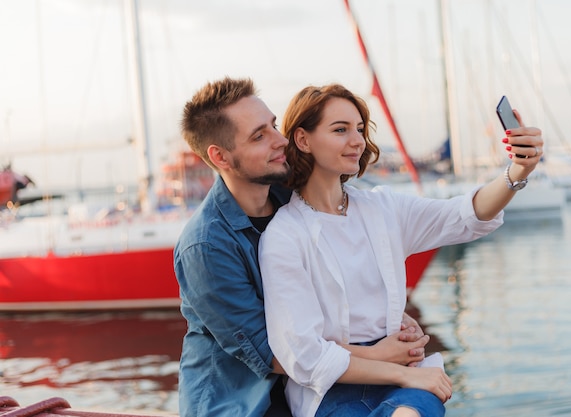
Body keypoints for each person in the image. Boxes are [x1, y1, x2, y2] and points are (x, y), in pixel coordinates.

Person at [259, 84, 544, 417]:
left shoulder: (383, 208)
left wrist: (517, 171)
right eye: (340, 130)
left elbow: (465, 215)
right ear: (303, 140)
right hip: (330, 390)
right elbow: (305, 357)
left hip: (403, 378)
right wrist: (401, 370)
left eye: (360, 129)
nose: (357, 141)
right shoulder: (285, 234)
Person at [174, 77, 430, 417]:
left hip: (307, 390)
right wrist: (383, 354)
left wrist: (391, 317)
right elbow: (276, 353)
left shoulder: (289, 198)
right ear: (220, 156)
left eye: (273, 126)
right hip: (240, 403)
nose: (280, 140)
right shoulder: (206, 247)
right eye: (259, 136)